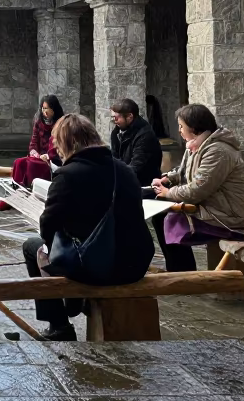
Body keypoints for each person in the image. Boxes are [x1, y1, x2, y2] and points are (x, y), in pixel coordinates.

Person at [22, 113, 154, 341]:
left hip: (100, 267)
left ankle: (59, 325)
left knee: (32, 247)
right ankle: (73, 299)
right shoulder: (123, 170)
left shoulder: (66, 175)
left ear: (67, 143)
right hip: (136, 263)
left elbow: (48, 227)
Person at [150, 103, 244, 272]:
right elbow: (184, 171)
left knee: (166, 216)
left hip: (227, 214)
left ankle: (182, 272)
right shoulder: (196, 145)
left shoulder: (218, 151)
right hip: (211, 207)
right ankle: (180, 270)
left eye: (181, 126)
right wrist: (167, 180)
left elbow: (197, 190)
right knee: (160, 212)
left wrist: (169, 193)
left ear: (194, 127)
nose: (179, 131)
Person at [11, 95, 65, 188]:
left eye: (47, 108)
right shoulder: (39, 123)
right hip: (40, 158)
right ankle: (17, 188)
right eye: (43, 108)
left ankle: (32, 190)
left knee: (32, 164)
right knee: (18, 162)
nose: (44, 111)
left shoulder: (61, 124)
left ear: (53, 109)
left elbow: (60, 147)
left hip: (54, 161)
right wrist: (37, 155)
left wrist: (48, 156)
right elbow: (33, 144)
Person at [109, 98, 163, 189]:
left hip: (143, 185)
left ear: (130, 116)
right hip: (125, 181)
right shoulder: (117, 132)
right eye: (113, 117)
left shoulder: (145, 135)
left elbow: (137, 166)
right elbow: (114, 159)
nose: (114, 120)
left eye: (117, 117)